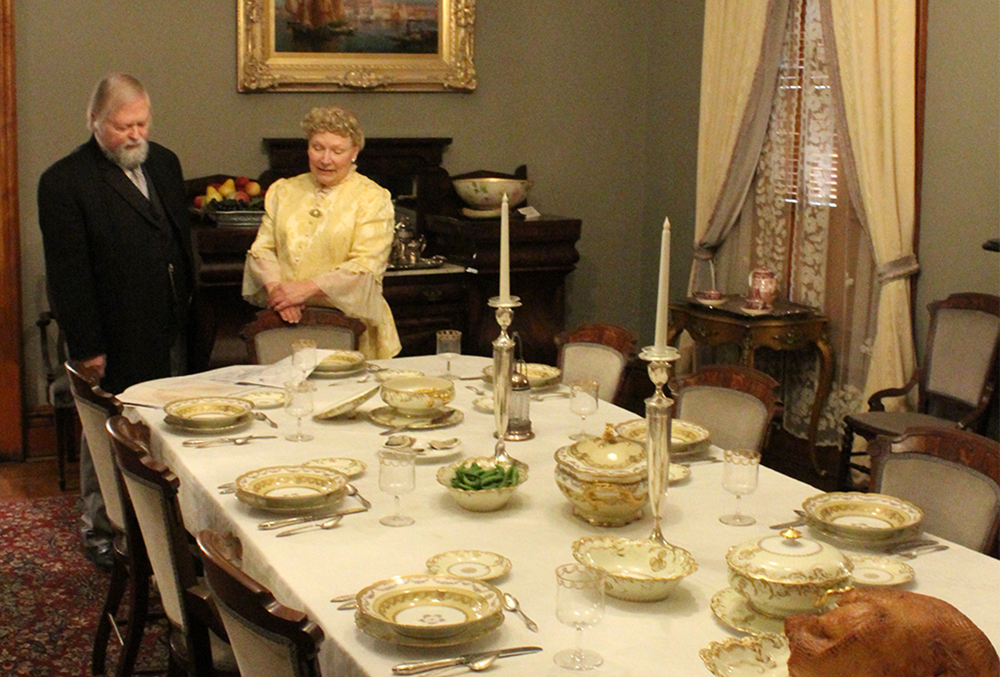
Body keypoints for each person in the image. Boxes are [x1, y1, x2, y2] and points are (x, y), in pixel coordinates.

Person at [37, 72, 196, 570]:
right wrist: (86, 348)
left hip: (168, 324)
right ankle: (102, 527)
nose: (135, 136)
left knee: (164, 431)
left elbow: (176, 238)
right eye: (123, 126)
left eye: (142, 124)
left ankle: (164, 525)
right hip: (109, 333)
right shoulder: (64, 181)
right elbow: (68, 274)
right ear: (95, 121)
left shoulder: (164, 162)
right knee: (107, 432)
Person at [242, 106, 401, 359]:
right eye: (317, 148)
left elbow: (366, 266)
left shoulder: (372, 198)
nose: (325, 159)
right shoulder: (283, 191)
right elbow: (262, 250)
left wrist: (304, 290)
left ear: (354, 152)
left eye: (337, 151)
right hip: (285, 322)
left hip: (351, 329)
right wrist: (278, 293)